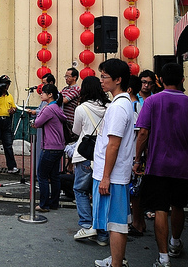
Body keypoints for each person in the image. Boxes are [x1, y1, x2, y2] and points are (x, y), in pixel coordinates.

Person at [133, 63, 188, 267]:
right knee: (179, 205)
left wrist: (138, 160)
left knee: (160, 209)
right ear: (183, 80)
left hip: (157, 165)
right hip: (183, 166)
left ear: (159, 80)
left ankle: (163, 257)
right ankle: (175, 243)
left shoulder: (152, 102)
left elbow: (143, 133)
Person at [92, 59, 135, 267]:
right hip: (115, 173)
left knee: (116, 223)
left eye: (104, 77)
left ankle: (117, 263)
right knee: (114, 222)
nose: (101, 81)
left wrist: (106, 177)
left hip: (113, 175)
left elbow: (113, 145)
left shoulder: (119, 107)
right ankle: (117, 258)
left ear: (118, 80)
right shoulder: (122, 103)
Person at [72, 76, 111, 246]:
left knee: (80, 190)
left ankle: (87, 225)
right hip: (103, 156)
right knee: (100, 194)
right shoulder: (109, 107)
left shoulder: (81, 108)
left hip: (85, 154)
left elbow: (76, 130)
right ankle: (102, 235)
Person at [32, 83, 66, 212]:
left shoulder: (48, 109)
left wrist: (40, 112)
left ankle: (44, 204)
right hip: (59, 146)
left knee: (42, 175)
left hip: (50, 146)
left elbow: (37, 123)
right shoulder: (56, 107)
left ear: (50, 95)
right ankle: (54, 202)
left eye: (43, 92)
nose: (41, 94)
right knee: (55, 176)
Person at [126, 75, 146, 236]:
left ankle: (137, 223)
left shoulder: (134, 107)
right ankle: (139, 222)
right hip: (135, 154)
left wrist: (137, 158)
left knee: (135, 192)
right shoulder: (137, 105)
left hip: (134, 155)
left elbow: (139, 132)